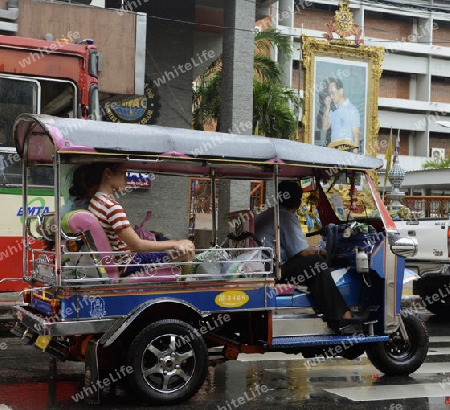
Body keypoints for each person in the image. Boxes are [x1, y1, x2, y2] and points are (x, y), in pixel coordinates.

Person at [254, 180, 367, 332]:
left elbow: (294, 250)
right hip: (271, 270)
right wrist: (319, 251)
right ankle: (341, 317)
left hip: (264, 266)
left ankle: (331, 311)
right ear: (299, 201)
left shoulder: (270, 213)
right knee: (317, 264)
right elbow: (302, 252)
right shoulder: (285, 216)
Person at [86, 162, 195, 276]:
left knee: (167, 240)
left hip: (121, 258)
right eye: (123, 172)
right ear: (108, 173)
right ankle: (184, 283)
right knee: (187, 249)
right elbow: (138, 246)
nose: (126, 177)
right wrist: (175, 244)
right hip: (129, 262)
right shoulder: (112, 207)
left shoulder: (95, 201)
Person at [321, 77, 361, 152]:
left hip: (346, 150)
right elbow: (325, 127)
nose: (331, 97)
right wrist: (327, 107)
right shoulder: (333, 110)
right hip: (333, 150)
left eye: (333, 93)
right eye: (330, 94)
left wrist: (354, 159)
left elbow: (356, 135)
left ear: (341, 91)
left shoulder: (352, 110)